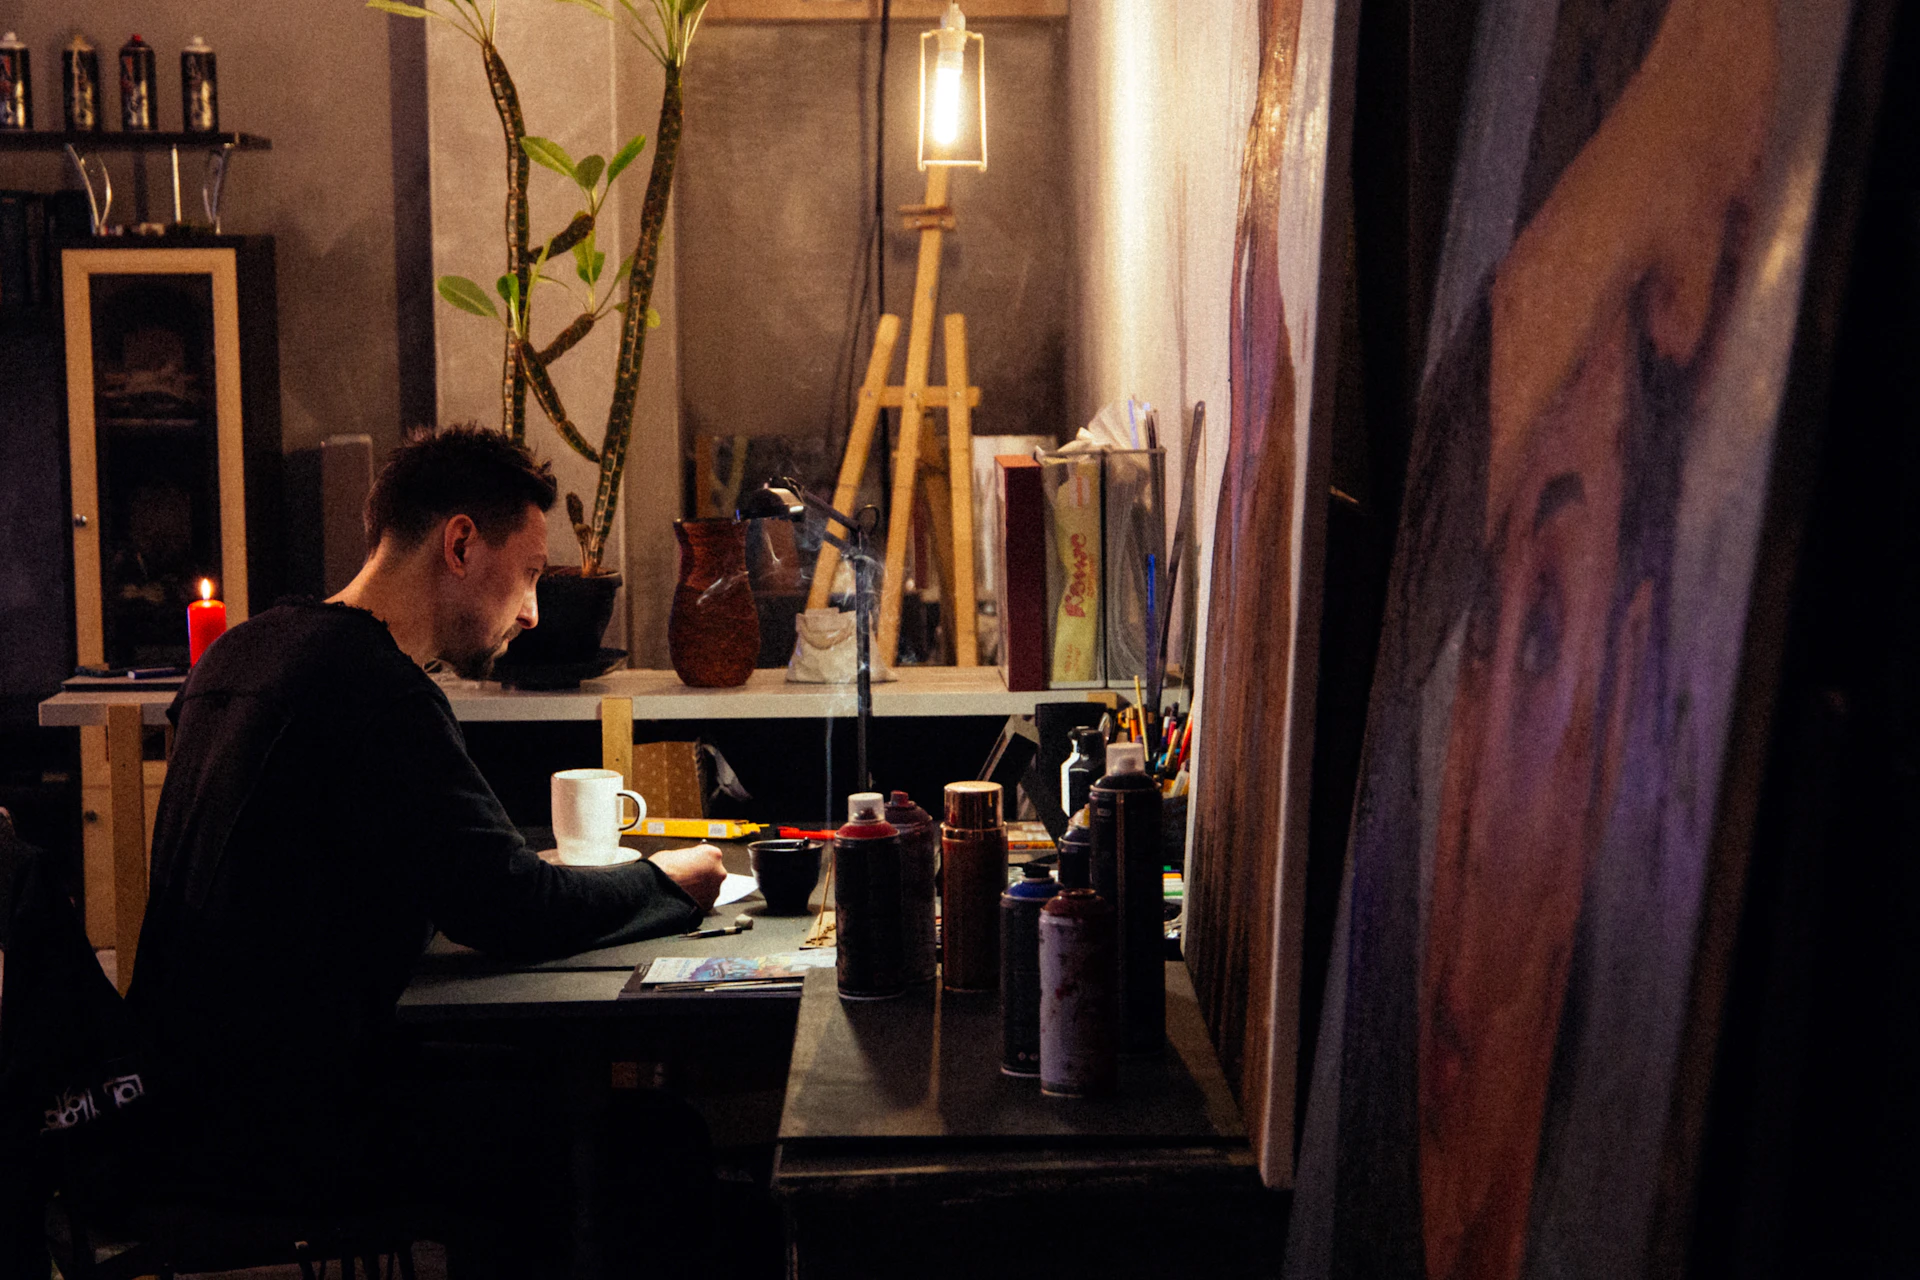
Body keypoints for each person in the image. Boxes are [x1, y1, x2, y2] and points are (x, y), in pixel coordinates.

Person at [125, 425, 727, 1273]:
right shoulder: (370, 686)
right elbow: (512, 908)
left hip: (174, 1107)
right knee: (642, 1133)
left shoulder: (247, 650)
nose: (532, 612)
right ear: (459, 542)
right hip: (283, 1130)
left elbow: (420, 867)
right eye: (526, 575)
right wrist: (668, 880)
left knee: (526, 1095)